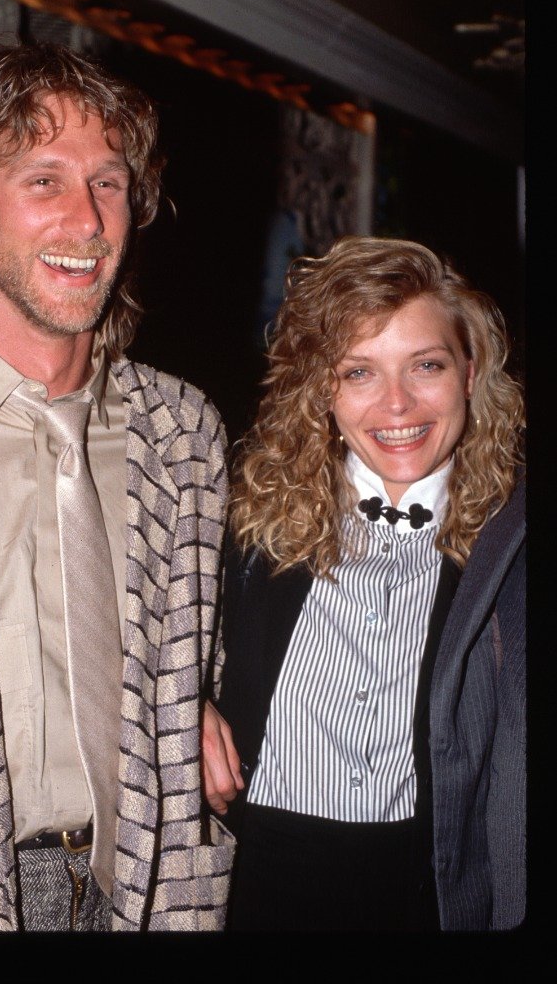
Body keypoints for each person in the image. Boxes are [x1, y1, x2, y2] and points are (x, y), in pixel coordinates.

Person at [0, 37, 235, 933]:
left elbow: (198, 645)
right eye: (42, 180)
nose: (87, 217)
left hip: (139, 892)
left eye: (109, 182)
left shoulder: (187, 432)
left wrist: (211, 695)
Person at [202, 236, 525, 931]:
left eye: (426, 366)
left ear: (468, 373)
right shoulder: (239, 520)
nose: (397, 405)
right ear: (321, 386)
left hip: (421, 896)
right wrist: (182, 708)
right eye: (358, 373)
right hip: (247, 882)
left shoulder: (511, 549)